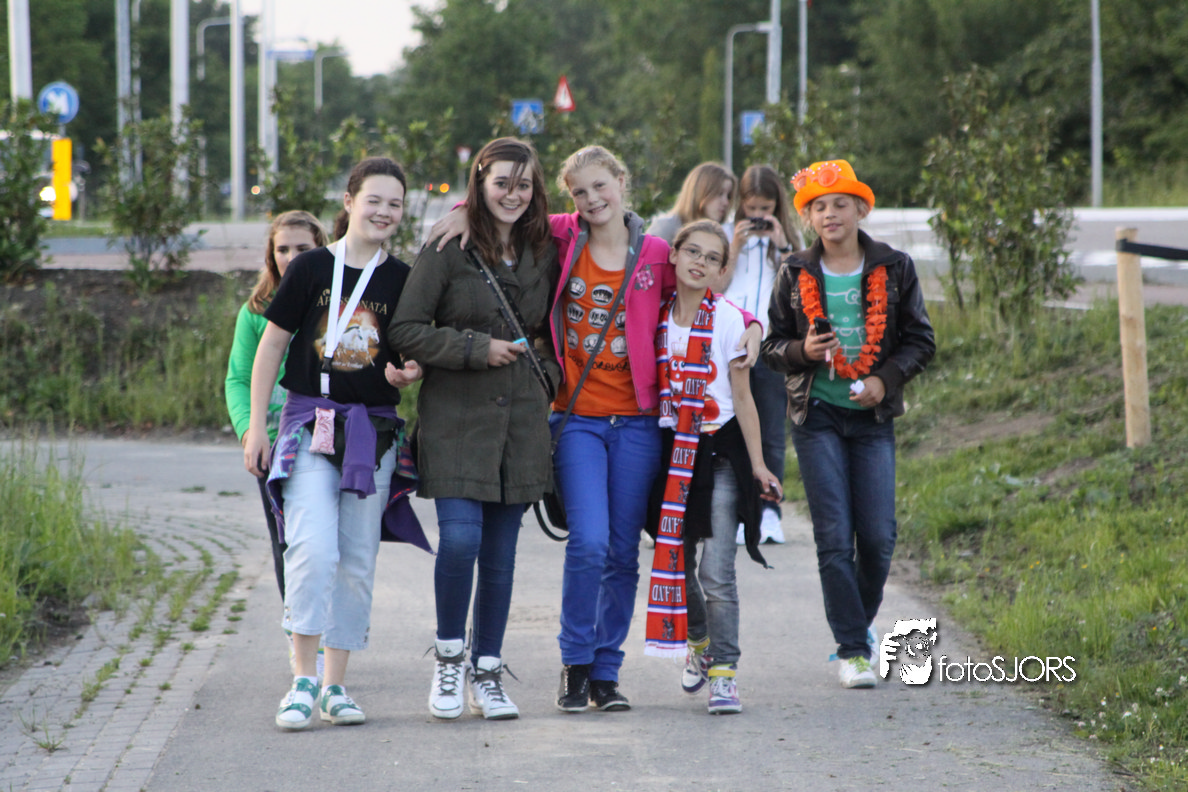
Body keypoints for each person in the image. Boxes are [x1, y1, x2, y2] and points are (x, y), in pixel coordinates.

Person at [429, 145, 763, 713]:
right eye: (579, 192)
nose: (591, 199)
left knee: (622, 553)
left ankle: (606, 672)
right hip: (577, 417)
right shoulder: (561, 236)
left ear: (621, 182)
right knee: (588, 542)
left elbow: (701, 296)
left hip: (637, 423)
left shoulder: (655, 253)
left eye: (600, 186)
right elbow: (504, 212)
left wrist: (752, 324)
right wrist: (463, 211)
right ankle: (575, 663)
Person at [243, 156, 428, 730]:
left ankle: (335, 686)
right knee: (311, 547)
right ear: (349, 202)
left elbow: (409, 355)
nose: (384, 212)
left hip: (372, 433)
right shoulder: (310, 268)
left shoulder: (403, 279)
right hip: (309, 423)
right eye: (374, 200)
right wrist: (257, 426)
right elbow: (271, 347)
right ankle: (302, 679)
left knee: (356, 558)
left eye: (395, 204)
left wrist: (410, 372)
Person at [389, 138, 557, 721]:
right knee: (461, 541)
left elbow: (552, 328)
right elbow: (406, 329)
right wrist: (473, 347)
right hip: (456, 419)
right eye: (501, 183)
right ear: (479, 184)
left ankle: (487, 671)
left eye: (524, 184)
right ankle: (449, 659)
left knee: (502, 557)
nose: (513, 194)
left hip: (521, 423)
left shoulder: (546, 247)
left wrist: (549, 374)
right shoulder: (447, 246)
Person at [760, 159, 934, 689]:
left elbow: (920, 341)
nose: (830, 214)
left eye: (840, 203)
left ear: (861, 209)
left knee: (878, 537)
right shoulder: (794, 271)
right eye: (819, 207)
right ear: (808, 218)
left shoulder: (895, 267)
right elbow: (772, 347)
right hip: (816, 417)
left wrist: (886, 378)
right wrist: (803, 351)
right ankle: (853, 649)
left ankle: (857, 622)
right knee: (834, 537)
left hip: (872, 417)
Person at [650, 220, 782, 715]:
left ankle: (724, 672)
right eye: (692, 252)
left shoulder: (727, 320)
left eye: (711, 258)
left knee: (717, 570)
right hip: (672, 453)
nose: (699, 263)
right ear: (674, 254)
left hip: (719, 451)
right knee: (676, 563)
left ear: (722, 270)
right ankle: (700, 642)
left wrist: (759, 465)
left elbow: (743, 399)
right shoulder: (656, 316)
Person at [226, 211, 326, 601]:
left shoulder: (333, 304)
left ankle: (330, 626)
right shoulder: (255, 311)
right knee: (287, 542)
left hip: (325, 438)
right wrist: (250, 432)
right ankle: (296, 626)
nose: (292, 257)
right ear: (271, 254)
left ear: (321, 249)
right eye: (282, 249)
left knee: (324, 543)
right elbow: (238, 378)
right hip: (274, 442)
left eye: (303, 248)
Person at [722, 165, 801, 546]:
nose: (757, 217)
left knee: (770, 432)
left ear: (776, 206)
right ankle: (741, 510)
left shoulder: (789, 240)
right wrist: (735, 247)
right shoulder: (725, 234)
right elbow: (715, 285)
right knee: (734, 430)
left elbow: (801, 289)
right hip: (732, 346)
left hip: (770, 346)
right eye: (751, 209)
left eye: (764, 210)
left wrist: (782, 246)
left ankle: (770, 510)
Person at [645, 162, 736, 244]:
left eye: (728, 196)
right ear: (700, 192)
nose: (726, 202)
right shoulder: (666, 228)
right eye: (719, 193)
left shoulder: (719, 236)